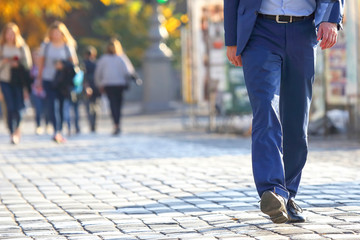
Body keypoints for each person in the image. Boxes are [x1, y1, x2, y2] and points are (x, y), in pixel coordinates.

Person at [224, 0, 344, 224]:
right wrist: (231, 38)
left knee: (297, 123)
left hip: (304, 31)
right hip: (259, 33)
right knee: (266, 109)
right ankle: (273, 190)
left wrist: (332, 18)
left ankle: (287, 194)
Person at [35, 21, 79, 143]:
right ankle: (56, 131)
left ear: (63, 34)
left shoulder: (67, 47)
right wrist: (38, 79)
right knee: (51, 104)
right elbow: (41, 64)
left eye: (58, 33)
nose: (56, 35)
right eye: (53, 33)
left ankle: (60, 129)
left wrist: (63, 65)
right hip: (48, 79)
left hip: (62, 81)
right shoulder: (46, 46)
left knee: (62, 106)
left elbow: (74, 64)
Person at [0, 23, 32, 144]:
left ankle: (18, 129)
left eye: (12, 34)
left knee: (19, 107)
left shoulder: (22, 47)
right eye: (8, 33)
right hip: (5, 80)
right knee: (10, 106)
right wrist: (4, 61)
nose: (10, 36)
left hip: (18, 81)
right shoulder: (1, 47)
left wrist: (17, 63)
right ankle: (11, 132)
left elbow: (28, 65)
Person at [30, 48, 49, 135]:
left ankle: (48, 124)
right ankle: (38, 126)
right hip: (35, 92)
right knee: (38, 109)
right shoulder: (32, 68)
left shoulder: (46, 67)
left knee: (46, 109)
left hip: (45, 91)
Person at [83, 46, 99, 133]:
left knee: (88, 107)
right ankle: (94, 124)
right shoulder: (96, 64)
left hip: (87, 87)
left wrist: (85, 86)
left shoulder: (83, 64)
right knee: (95, 106)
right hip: (96, 87)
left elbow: (82, 77)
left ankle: (91, 123)